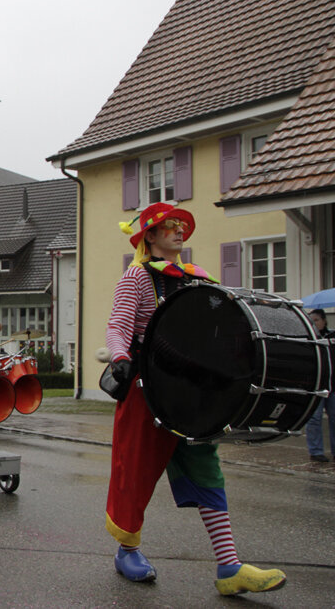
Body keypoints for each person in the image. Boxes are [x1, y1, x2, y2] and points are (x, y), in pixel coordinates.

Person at [105, 202, 286, 596]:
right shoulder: (135, 278)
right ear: (149, 237)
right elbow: (118, 325)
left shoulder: (196, 281)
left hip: (188, 392)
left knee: (206, 467)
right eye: (168, 226)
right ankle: (126, 550)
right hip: (145, 390)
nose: (178, 231)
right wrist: (120, 359)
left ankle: (229, 567)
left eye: (180, 225)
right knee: (135, 472)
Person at [306, 309, 335, 462]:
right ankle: (316, 451)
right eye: (311, 321)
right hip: (316, 387)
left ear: (324, 320)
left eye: (316, 320)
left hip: (333, 386)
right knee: (314, 419)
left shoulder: (332, 336)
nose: (314, 323)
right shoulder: (309, 339)